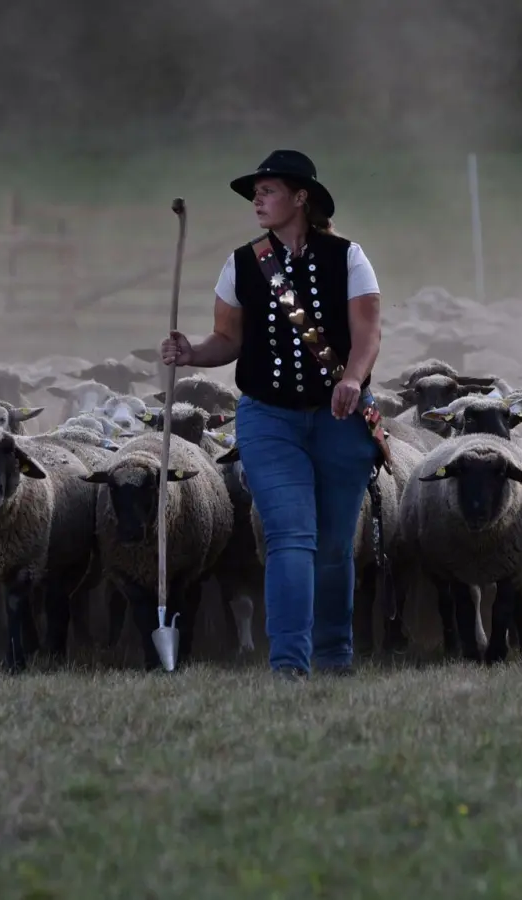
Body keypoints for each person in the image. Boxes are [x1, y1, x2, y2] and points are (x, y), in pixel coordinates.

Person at [158, 150, 385, 682]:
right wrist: (191, 352)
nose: (257, 199)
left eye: (269, 189)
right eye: (255, 192)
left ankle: (334, 655)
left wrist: (352, 379)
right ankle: (288, 664)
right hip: (267, 419)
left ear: (301, 197)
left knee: (333, 544)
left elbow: (368, 333)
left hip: (340, 418)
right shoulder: (240, 264)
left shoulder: (348, 257)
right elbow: (228, 340)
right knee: (288, 534)